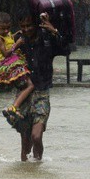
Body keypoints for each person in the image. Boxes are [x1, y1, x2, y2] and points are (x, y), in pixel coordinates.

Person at [14, 11, 69, 161]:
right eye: (23, 26)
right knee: (25, 144)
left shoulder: (47, 39)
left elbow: (66, 50)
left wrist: (54, 30)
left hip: (42, 94)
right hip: (23, 94)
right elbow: (5, 59)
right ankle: (27, 175)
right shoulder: (18, 41)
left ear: (36, 25)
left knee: (36, 136)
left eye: (29, 25)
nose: (26, 29)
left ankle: (38, 165)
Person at [0, 12, 34, 121]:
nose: (6, 31)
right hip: (9, 64)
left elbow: (9, 39)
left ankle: (16, 109)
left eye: (8, 28)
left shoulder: (6, 34)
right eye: (3, 29)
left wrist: (15, 34)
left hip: (14, 61)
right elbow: (6, 53)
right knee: (30, 85)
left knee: (24, 86)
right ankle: (14, 107)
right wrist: (17, 44)